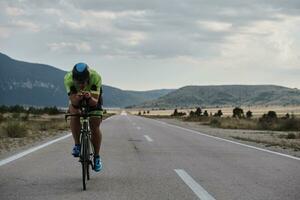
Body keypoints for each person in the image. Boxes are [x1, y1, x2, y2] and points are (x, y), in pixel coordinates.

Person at [64, 62, 103, 172]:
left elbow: (94, 103)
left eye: (83, 82)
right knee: (74, 113)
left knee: (95, 124)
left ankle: (96, 157)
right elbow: (73, 101)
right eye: (78, 82)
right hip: (77, 97)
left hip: (93, 97)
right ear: (74, 79)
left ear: (88, 78)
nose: (81, 85)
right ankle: (77, 144)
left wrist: (89, 97)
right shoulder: (68, 79)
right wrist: (78, 98)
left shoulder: (95, 77)